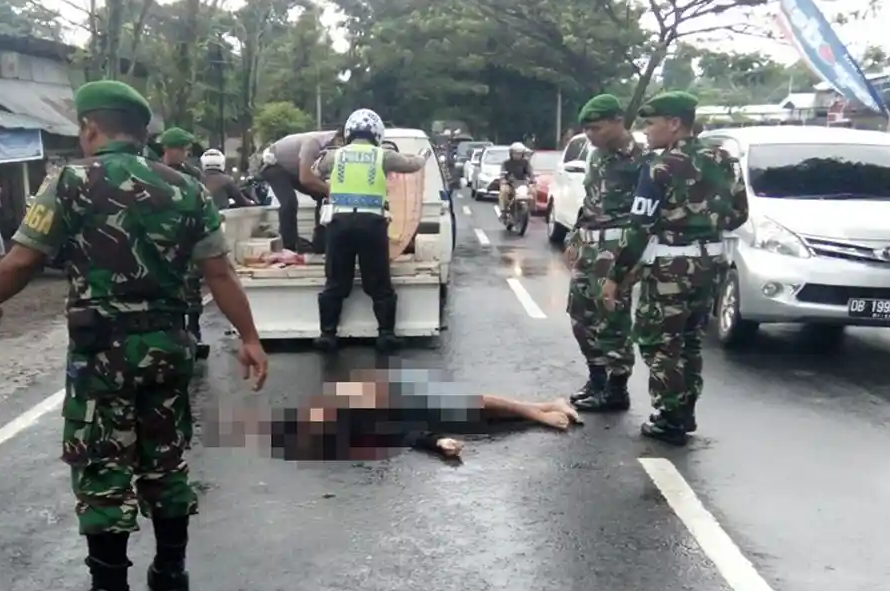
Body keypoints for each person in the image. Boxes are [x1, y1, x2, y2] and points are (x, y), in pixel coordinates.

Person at [0, 79, 269, 591]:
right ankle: (171, 577)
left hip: (103, 351)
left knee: (104, 462)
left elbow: (21, 260)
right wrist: (249, 337)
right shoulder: (187, 189)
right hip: (171, 347)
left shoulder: (71, 181)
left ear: (89, 128)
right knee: (166, 456)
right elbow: (219, 273)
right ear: (141, 132)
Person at [602, 91, 748, 445]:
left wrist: (616, 276)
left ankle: (670, 418)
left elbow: (639, 227)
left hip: (670, 266)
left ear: (674, 123)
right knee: (689, 341)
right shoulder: (725, 160)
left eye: (651, 124)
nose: (647, 133)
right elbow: (740, 213)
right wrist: (706, 224)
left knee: (658, 341)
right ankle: (685, 411)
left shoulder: (659, 167)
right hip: (710, 264)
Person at [211, 368, 581, 462]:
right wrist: (438, 442)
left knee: (479, 406)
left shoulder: (332, 414)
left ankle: (541, 411)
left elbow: (394, 429)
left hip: (408, 395)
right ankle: (548, 405)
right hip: (406, 403)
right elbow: (397, 433)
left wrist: (435, 442)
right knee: (486, 418)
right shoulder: (336, 427)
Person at [312, 109, 427, 354]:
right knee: (379, 282)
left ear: (349, 132)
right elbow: (412, 165)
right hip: (371, 224)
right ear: (377, 133)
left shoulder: (336, 156)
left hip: (339, 223)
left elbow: (315, 171)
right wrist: (424, 156)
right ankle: (386, 335)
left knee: (335, 281)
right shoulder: (383, 156)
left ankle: (327, 335)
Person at [565, 94, 644, 413]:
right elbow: (591, 199)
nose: (590, 135)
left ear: (617, 121)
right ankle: (596, 378)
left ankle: (616, 387)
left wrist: (634, 258)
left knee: (611, 316)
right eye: (586, 129)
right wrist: (575, 234)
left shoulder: (641, 158)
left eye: (596, 128)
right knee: (580, 314)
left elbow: (648, 211)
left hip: (618, 245)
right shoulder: (596, 155)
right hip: (589, 241)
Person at [158, 127, 210, 358]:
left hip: (186, 235)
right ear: (168, 149)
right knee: (167, 288)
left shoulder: (193, 174)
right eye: (182, 149)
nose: (185, 154)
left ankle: (195, 332)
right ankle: (174, 333)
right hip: (161, 237)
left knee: (192, 285)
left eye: (187, 150)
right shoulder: (152, 172)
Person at [258, 127, 341, 251]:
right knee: (289, 202)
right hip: (273, 165)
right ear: (338, 139)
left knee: (322, 196)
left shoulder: (327, 147)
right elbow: (305, 178)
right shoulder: (313, 143)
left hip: (291, 169)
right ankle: (289, 245)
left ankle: (321, 242)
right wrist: (330, 190)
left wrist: (327, 190)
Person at [498, 142, 533, 217]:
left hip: (522, 184)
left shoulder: (525, 163)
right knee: (504, 191)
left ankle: (531, 209)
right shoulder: (506, 163)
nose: (517, 155)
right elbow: (502, 173)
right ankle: (504, 211)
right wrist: (504, 179)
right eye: (515, 153)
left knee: (532, 191)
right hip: (509, 184)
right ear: (511, 153)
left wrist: (532, 179)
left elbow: (530, 173)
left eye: (519, 153)